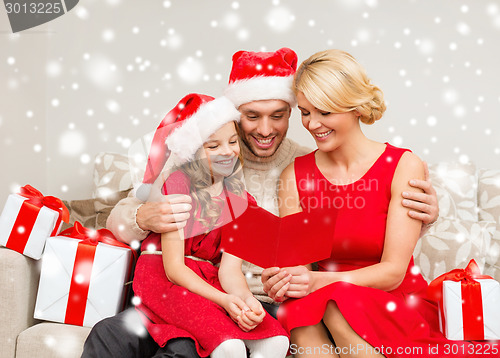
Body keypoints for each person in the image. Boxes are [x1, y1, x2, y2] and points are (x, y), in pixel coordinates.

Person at [82, 48, 439, 358]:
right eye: (251, 117)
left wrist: (421, 219)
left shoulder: (300, 165)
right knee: (111, 335)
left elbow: (321, 250)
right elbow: (120, 218)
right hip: (179, 293)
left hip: (250, 302)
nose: (265, 129)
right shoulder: (193, 159)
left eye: (279, 115)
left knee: (190, 348)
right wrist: (144, 216)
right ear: (232, 117)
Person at [262, 49, 497, 358]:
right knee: (301, 313)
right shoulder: (294, 176)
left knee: (333, 302)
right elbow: (300, 268)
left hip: (390, 299)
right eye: (305, 112)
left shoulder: (402, 165)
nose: (312, 124)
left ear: (355, 107)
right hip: (322, 294)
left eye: (325, 112)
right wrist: (283, 280)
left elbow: (392, 272)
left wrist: (318, 281)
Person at [131, 93, 289, 358]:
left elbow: (230, 272)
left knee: (275, 341)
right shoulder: (178, 185)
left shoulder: (240, 198)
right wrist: (225, 301)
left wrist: (246, 302)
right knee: (229, 345)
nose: (227, 152)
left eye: (232, 141)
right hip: (165, 280)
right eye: (212, 147)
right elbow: (174, 270)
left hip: (210, 280)